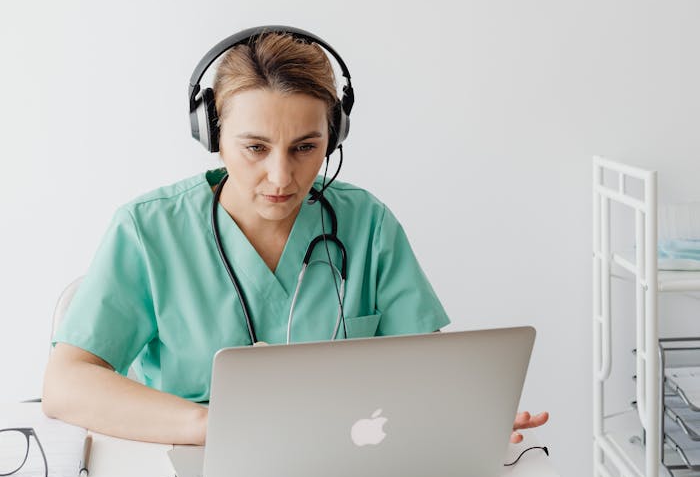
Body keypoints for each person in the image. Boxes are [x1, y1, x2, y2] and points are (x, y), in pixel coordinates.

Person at [43, 27, 548, 447]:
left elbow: (423, 373)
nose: (282, 177)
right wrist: (210, 427)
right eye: (255, 147)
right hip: (197, 460)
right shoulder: (148, 231)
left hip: (345, 464)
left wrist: (464, 415)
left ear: (335, 136)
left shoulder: (366, 224)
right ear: (212, 134)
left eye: (306, 147)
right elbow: (66, 385)